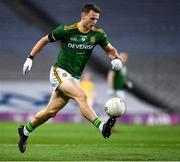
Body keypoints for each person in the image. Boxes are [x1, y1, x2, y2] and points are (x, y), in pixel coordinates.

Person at [18, 3, 124, 153]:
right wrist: (30, 58)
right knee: (81, 95)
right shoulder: (66, 30)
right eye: (92, 18)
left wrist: (116, 59)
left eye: (96, 19)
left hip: (74, 78)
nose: (94, 22)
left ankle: (25, 131)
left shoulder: (97, 34)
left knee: (50, 112)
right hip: (59, 72)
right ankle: (102, 127)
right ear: (83, 15)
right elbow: (44, 40)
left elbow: (111, 50)